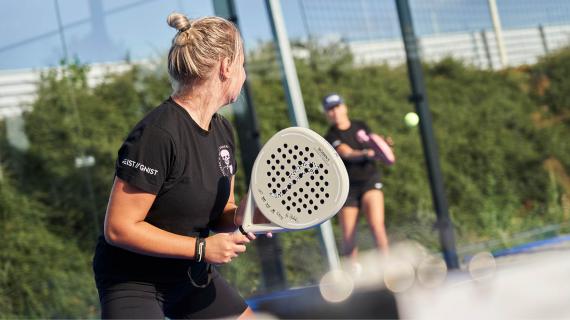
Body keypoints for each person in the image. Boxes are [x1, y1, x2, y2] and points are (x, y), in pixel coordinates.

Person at [93, 12, 267, 319]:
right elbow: (118, 228)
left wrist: (249, 216)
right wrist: (202, 249)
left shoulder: (223, 131)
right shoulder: (158, 134)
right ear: (226, 67)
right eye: (242, 64)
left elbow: (223, 210)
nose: (244, 73)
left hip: (191, 277)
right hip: (134, 282)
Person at [322, 93, 391, 262]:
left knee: (377, 226)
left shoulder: (361, 125)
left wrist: (383, 146)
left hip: (369, 181)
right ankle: (352, 278)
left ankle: (389, 268)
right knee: (348, 236)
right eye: (330, 109)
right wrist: (366, 153)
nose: (335, 112)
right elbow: (346, 153)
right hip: (347, 189)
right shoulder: (331, 136)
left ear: (344, 107)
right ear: (327, 114)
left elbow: (373, 143)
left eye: (337, 107)